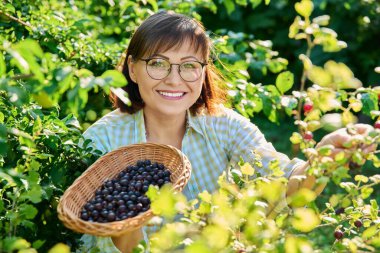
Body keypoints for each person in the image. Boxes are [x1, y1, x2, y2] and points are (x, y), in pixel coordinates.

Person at [78, 11, 375, 253]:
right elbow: (98, 241)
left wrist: (323, 158)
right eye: (157, 63)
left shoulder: (223, 125)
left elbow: (286, 183)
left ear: (203, 70)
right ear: (132, 69)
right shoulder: (103, 140)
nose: (174, 79)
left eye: (189, 66)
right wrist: (129, 215)